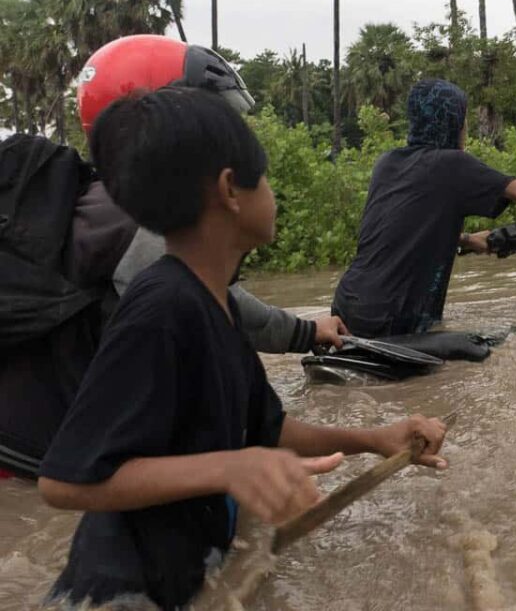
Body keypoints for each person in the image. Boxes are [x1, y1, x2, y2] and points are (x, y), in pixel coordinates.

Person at [37, 87, 448, 610]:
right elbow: (63, 482)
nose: (273, 193)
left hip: (189, 582)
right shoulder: (162, 306)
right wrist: (230, 468)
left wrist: (374, 438)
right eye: (266, 178)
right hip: (121, 597)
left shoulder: (217, 308)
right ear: (231, 190)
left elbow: (267, 430)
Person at [0, 35, 349, 479]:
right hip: (45, 461)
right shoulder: (141, 224)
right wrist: (305, 332)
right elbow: (226, 309)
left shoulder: (95, 203)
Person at [333, 79, 516, 338]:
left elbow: (400, 224)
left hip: (346, 306)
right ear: (452, 122)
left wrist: (466, 241)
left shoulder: (387, 162)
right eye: (464, 120)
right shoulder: (451, 163)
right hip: (394, 319)